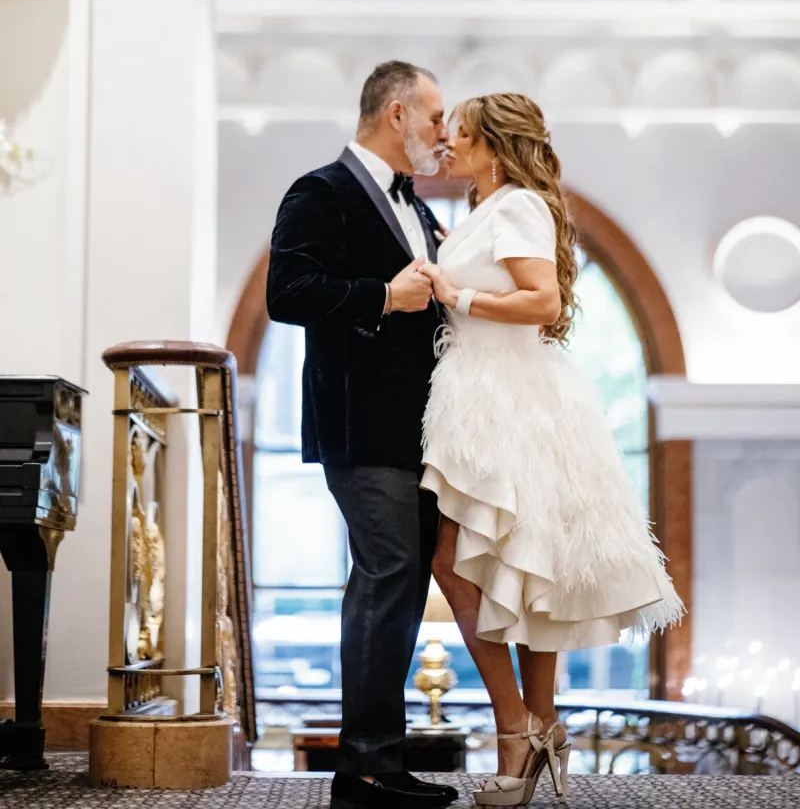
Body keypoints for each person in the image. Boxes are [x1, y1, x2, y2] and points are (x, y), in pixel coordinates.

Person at [419, 93, 684, 807]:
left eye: (463, 136)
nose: (450, 145)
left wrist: (457, 295)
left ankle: (519, 725)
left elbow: (544, 303)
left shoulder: (518, 206)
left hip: (507, 395)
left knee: (464, 556)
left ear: (495, 147)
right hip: (475, 389)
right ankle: (539, 724)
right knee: (509, 559)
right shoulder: (484, 209)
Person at [267, 61, 457, 809]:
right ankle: (364, 772)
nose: (443, 132)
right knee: (385, 579)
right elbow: (287, 293)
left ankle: (381, 759)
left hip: (423, 434)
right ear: (398, 113)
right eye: (436, 117)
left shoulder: (418, 207)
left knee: (402, 588)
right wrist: (384, 295)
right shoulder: (321, 191)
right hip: (361, 428)